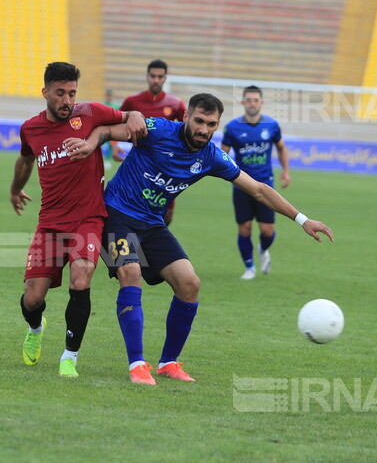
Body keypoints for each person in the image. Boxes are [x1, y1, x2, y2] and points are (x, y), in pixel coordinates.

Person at [66, 93, 333, 385]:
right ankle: (137, 365)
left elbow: (257, 189)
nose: (204, 129)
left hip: (153, 225)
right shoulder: (156, 130)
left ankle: (168, 363)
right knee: (130, 272)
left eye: (211, 124)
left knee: (190, 283)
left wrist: (302, 219)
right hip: (116, 214)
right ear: (186, 117)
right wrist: (91, 143)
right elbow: (106, 131)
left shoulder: (211, 156)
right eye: (199, 121)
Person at [10, 62, 146, 378]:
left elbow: (129, 118)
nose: (67, 100)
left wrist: (135, 115)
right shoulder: (31, 128)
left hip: (88, 218)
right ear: (45, 92)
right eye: (60, 93)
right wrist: (15, 189)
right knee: (32, 299)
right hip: (50, 223)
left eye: (72, 93)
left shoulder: (90, 113)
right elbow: (25, 158)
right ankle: (35, 328)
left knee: (82, 276)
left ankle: (69, 357)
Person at [220, 85, 291, 280]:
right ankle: (249, 267)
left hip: (266, 184)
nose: (252, 103)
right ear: (243, 102)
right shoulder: (232, 127)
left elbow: (282, 148)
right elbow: (222, 153)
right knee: (245, 228)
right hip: (241, 184)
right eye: (248, 100)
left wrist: (285, 171)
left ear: (261, 102)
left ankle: (262, 248)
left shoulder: (272, 126)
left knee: (267, 231)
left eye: (255, 100)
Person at [120, 59, 187, 224]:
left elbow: (187, 131)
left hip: (165, 169)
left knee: (166, 217)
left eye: (160, 76)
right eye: (153, 76)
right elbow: (114, 122)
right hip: (138, 165)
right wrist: (114, 146)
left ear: (165, 78)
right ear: (147, 77)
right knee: (135, 211)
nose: (156, 80)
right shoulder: (132, 102)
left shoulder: (175, 103)